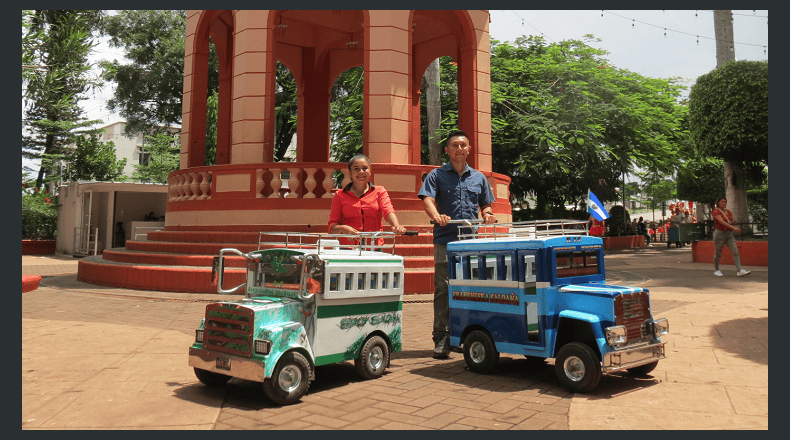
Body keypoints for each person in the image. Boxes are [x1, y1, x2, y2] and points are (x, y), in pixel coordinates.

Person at [418, 129, 496, 359]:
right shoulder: (436, 175)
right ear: (447, 150)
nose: (459, 148)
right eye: (455, 145)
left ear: (469, 149)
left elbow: (487, 205)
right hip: (445, 240)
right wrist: (437, 216)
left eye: (463, 145)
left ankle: (463, 335)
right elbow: (427, 201)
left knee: (468, 289)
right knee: (443, 289)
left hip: (470, 243)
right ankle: (441, 337)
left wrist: (489, 214)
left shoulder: (479, 178)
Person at [328, 154, 407, 246]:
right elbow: (332, 227)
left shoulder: (379, 191)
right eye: (356, 169)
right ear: (350, 172)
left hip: (374, 246)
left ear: (370, 171)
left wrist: (396, 226)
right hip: (348, 248)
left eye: (365, 168)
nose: (361, 172)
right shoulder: (340, 195)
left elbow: (388, 210)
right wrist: (343, 229)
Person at [711, 197, 750, 277]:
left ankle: (739, 270)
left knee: (735, 251)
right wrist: (733, 228)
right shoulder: (716, 211)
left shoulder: (728, 212)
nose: (724, 203)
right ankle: (717, 269)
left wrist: (732, 225)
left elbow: (728, 223)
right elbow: (721, 222)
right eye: (722, 202)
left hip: (729, 234)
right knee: (718, 252)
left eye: (725, 202)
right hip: (720, 234)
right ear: (718, 203)